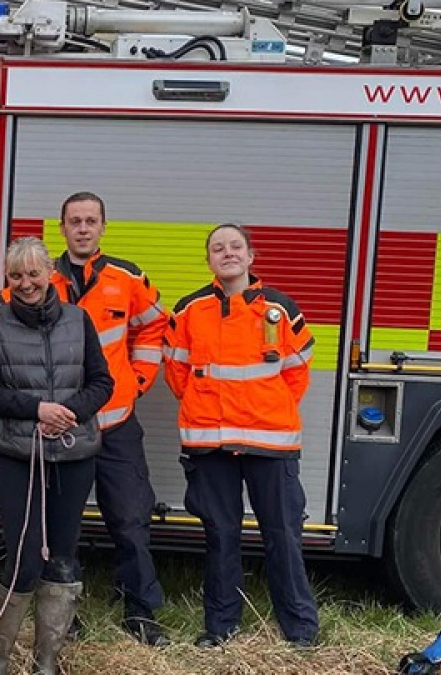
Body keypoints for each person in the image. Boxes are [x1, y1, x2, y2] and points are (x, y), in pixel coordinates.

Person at [163, 223, 319, 648]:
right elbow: (177, 372)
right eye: (218, 248)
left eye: (235, 246)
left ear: (251, 257)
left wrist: (265, 407)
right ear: (209, 260)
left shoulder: (280, 309)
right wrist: (206, 405)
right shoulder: (189, 310)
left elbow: (297, 371)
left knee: (283, 535)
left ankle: (301, 631)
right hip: (209, 443)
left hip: (271, 442)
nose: (227, 253)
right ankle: (221, 628)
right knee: (221, 535)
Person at [0, 237, 114, 675]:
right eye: (16, 275)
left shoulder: (79, 319)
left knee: (64, 554)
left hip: (74, 453)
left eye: (33, 273)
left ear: (50, 273)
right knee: (24, 555)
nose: (26, 283)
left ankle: (47, 657)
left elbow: (102, 382)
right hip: (19, 453)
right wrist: (36, 410)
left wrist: (70, 414)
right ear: (8, 279)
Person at [50, 191, 171, 644]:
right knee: (63, 524)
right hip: (64, 426)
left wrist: (138, 379)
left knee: (130, 519)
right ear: (62, 228)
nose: (83, 228)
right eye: (75, 221)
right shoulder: (41, 278)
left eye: (91, 221)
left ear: (103, 227)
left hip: (116, 422)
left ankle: (142, 614)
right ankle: (64, 615)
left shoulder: (127, 278)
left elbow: (155, 326)